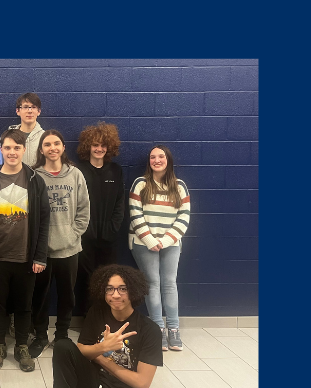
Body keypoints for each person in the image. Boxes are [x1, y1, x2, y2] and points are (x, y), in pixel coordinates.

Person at [0, 129, 48, 371]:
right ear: (1, 149)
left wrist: (39, 255)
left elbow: (44, 220)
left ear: (24, 149)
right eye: (7, 148)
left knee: (24, 305)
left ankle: (22, 346)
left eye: (17, 147)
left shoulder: (35, 180)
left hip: (26, 257)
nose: (12, 152)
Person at [51, 264, 162, 388]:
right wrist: (103, 347)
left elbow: (142, 384)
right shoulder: (97, 312)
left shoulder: (150, 330)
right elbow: (80, 349)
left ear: (133, 291)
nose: (115, 295)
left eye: (122, 289)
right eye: (109, 289)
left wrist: (101, 358)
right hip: (93, 384)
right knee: (63, 346)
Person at [29, 129, 89, 357]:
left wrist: (72, 234)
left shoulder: (75, 175)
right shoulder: (34, 176)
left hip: (69, 248)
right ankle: (41, 336)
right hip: (41, 251)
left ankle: (62, 336)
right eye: (47, 144)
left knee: (67, 296)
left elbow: (84, 209)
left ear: (63, 147)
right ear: (41, 150)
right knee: (40, 296)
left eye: (56, 143)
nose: (52, 148)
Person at [128, 145, 192, 352]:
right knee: (153, 283)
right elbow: (135, 214)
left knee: (169, 283)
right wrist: (150, 240)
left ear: (168, 160)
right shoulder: (140, 184)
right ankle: (157, 329)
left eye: (161, 156)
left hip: (171, 243)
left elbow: (184, 217)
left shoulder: (180, 186)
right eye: (152, 157)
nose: (157, 160)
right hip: (143, 243)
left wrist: (165, 241)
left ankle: (174, 329)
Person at [73, 122, 127, 316]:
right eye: (95, 145)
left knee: (108, 280)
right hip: (85, 238)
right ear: (88, 146)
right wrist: (82, 230)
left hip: (109, 238)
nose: (99, 149)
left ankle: (106, 318)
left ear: (109, 148)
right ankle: (89, 320)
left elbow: (120, 202)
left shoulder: (116, 170)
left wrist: (113, 228)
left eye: (103, 146)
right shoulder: (78, 171)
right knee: (87, 279)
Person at [7, 93, 46, 166]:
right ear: (18, 111)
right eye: (25, 107)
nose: (30, 111)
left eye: (33, 107)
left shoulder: (45, 138)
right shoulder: (7, 137)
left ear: (39, 111)